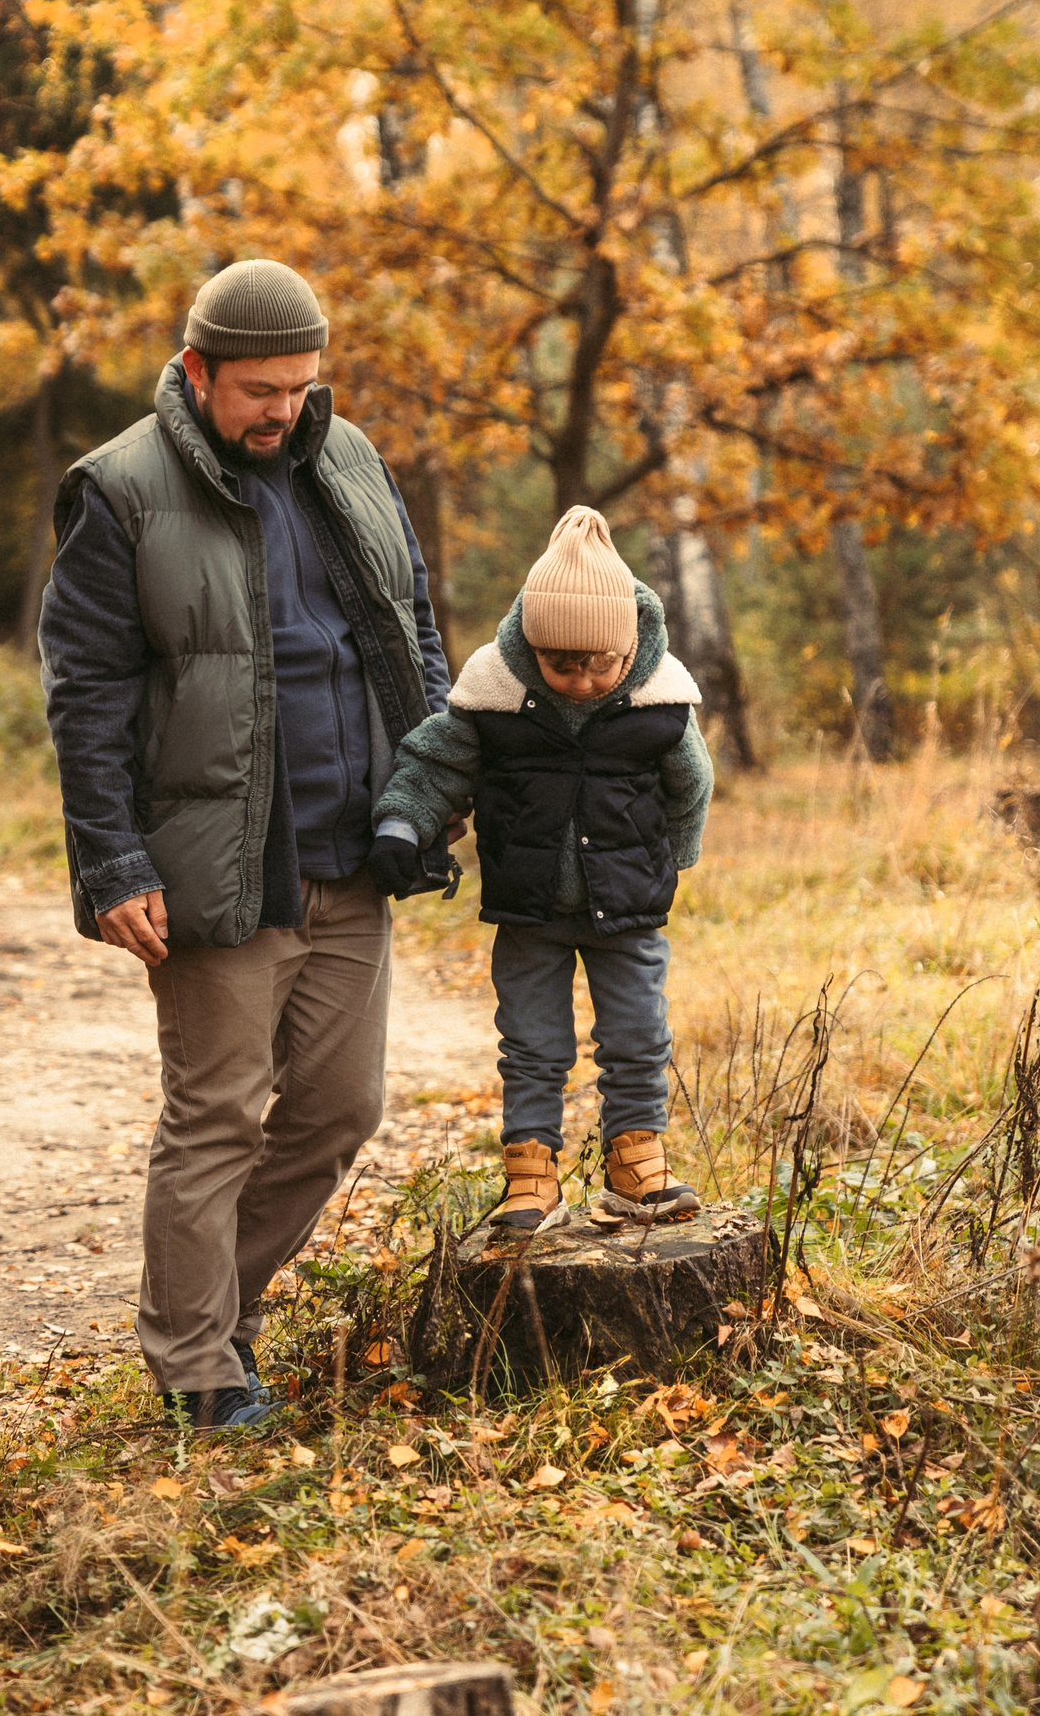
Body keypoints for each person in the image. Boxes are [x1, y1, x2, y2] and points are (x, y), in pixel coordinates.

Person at [38, 259, 452, 1433]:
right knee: (215, 1113)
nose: (283, 410)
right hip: (217, 861)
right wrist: (113, 861)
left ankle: (221, 1308)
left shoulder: (350, 458)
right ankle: (195, 1365)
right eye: (259, 390)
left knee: (338, 1108)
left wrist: (428, 779)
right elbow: (86, 693)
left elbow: (411, 619)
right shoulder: (118, 489)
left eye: (302, 386)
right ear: (196, 371)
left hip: (353, 850)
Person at [366, 506, 714, 1227]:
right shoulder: (495, 700)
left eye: (600, 666)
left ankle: (636, 1165)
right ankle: (531, 1175)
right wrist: (402, 824)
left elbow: (693, 786)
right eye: (563, 665)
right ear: (530, 644)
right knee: (531, 1042)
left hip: (629, 910)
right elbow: (433, 764)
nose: (583, 682)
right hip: (529, 913)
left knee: (638, 1034)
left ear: (629, 649)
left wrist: (671, 861)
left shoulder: (661, 704)